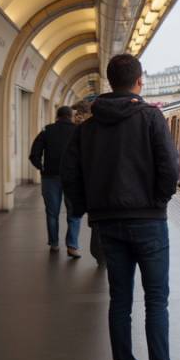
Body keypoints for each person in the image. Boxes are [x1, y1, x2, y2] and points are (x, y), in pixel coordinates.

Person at [62, 54, 180, 360]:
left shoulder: (87, 128)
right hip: (149, 223)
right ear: (139, 81)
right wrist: (158, 201)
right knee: (156, 301)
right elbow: (169, 166)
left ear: (108, 81)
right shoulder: (151, 118)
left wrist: (87, 209)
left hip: (107, 224)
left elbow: (70, 174)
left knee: (120, 301)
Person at [29, 105, 83, 257]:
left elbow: (34, 154)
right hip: (73, 178)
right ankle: (72, 246)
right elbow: (86, 154)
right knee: (74, 212)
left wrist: (42, 168)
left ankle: (54, 244)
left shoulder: (47, 131)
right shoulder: (78, 131)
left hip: (50, 177)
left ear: (57, 117)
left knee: (52, 213)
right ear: (70, 116)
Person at [72, 100, 104, 267]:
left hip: (95, 195)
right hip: (128, 203)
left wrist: (78, 204)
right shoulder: (145, 118)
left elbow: (70, 169)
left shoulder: (84, 131)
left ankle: (100, 256)